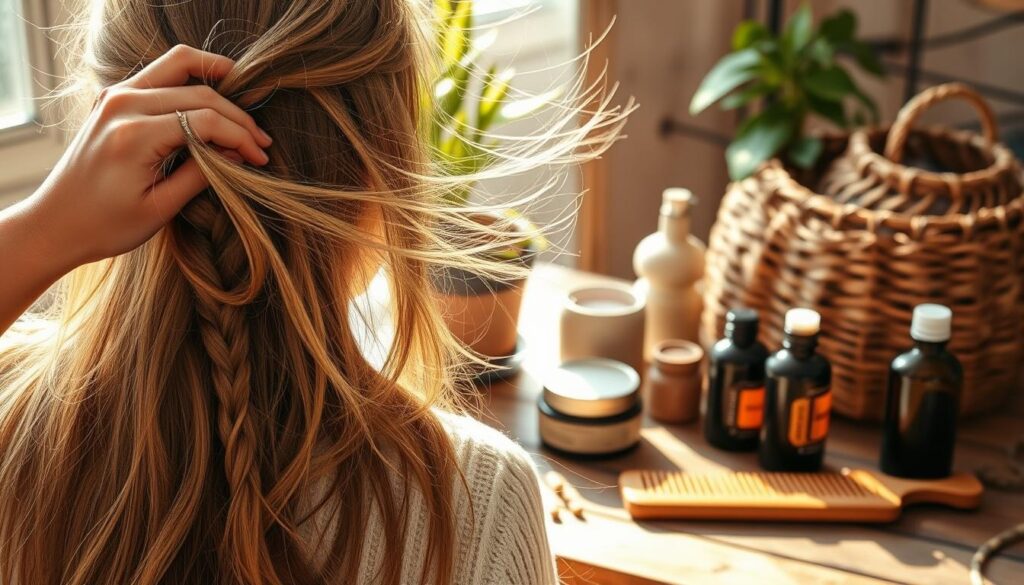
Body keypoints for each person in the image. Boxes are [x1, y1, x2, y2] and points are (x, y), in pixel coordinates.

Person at [0, 1, 628, 583]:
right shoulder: (477, 502)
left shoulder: (14, 424)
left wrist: (39, 231)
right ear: (383, 171)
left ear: (101, 139)